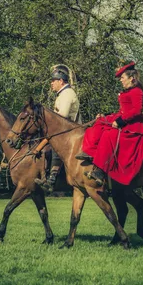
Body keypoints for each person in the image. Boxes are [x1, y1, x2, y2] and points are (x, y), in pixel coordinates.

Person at [77, 61, 143, 186]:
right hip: (123, 117)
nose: (121, 80)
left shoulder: (136, 91)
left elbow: (136, 110)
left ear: (131, 78)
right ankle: (91, 154)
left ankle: (101, 171)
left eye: (123, 78)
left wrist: (120, 121)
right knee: (98, 123)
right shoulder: (128, 91)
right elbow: (123, 109)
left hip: (133, 123)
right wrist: (107, 116)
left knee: (109, 135)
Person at [34, 64, 81, 192]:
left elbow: (62, 117)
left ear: (61, 81)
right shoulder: (63, 93)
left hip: (69, 132)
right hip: (65, 130)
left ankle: (51, 179)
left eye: (53, 81)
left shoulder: (67, 94)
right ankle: (46, 177)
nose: (51, 83)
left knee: (52, 145)